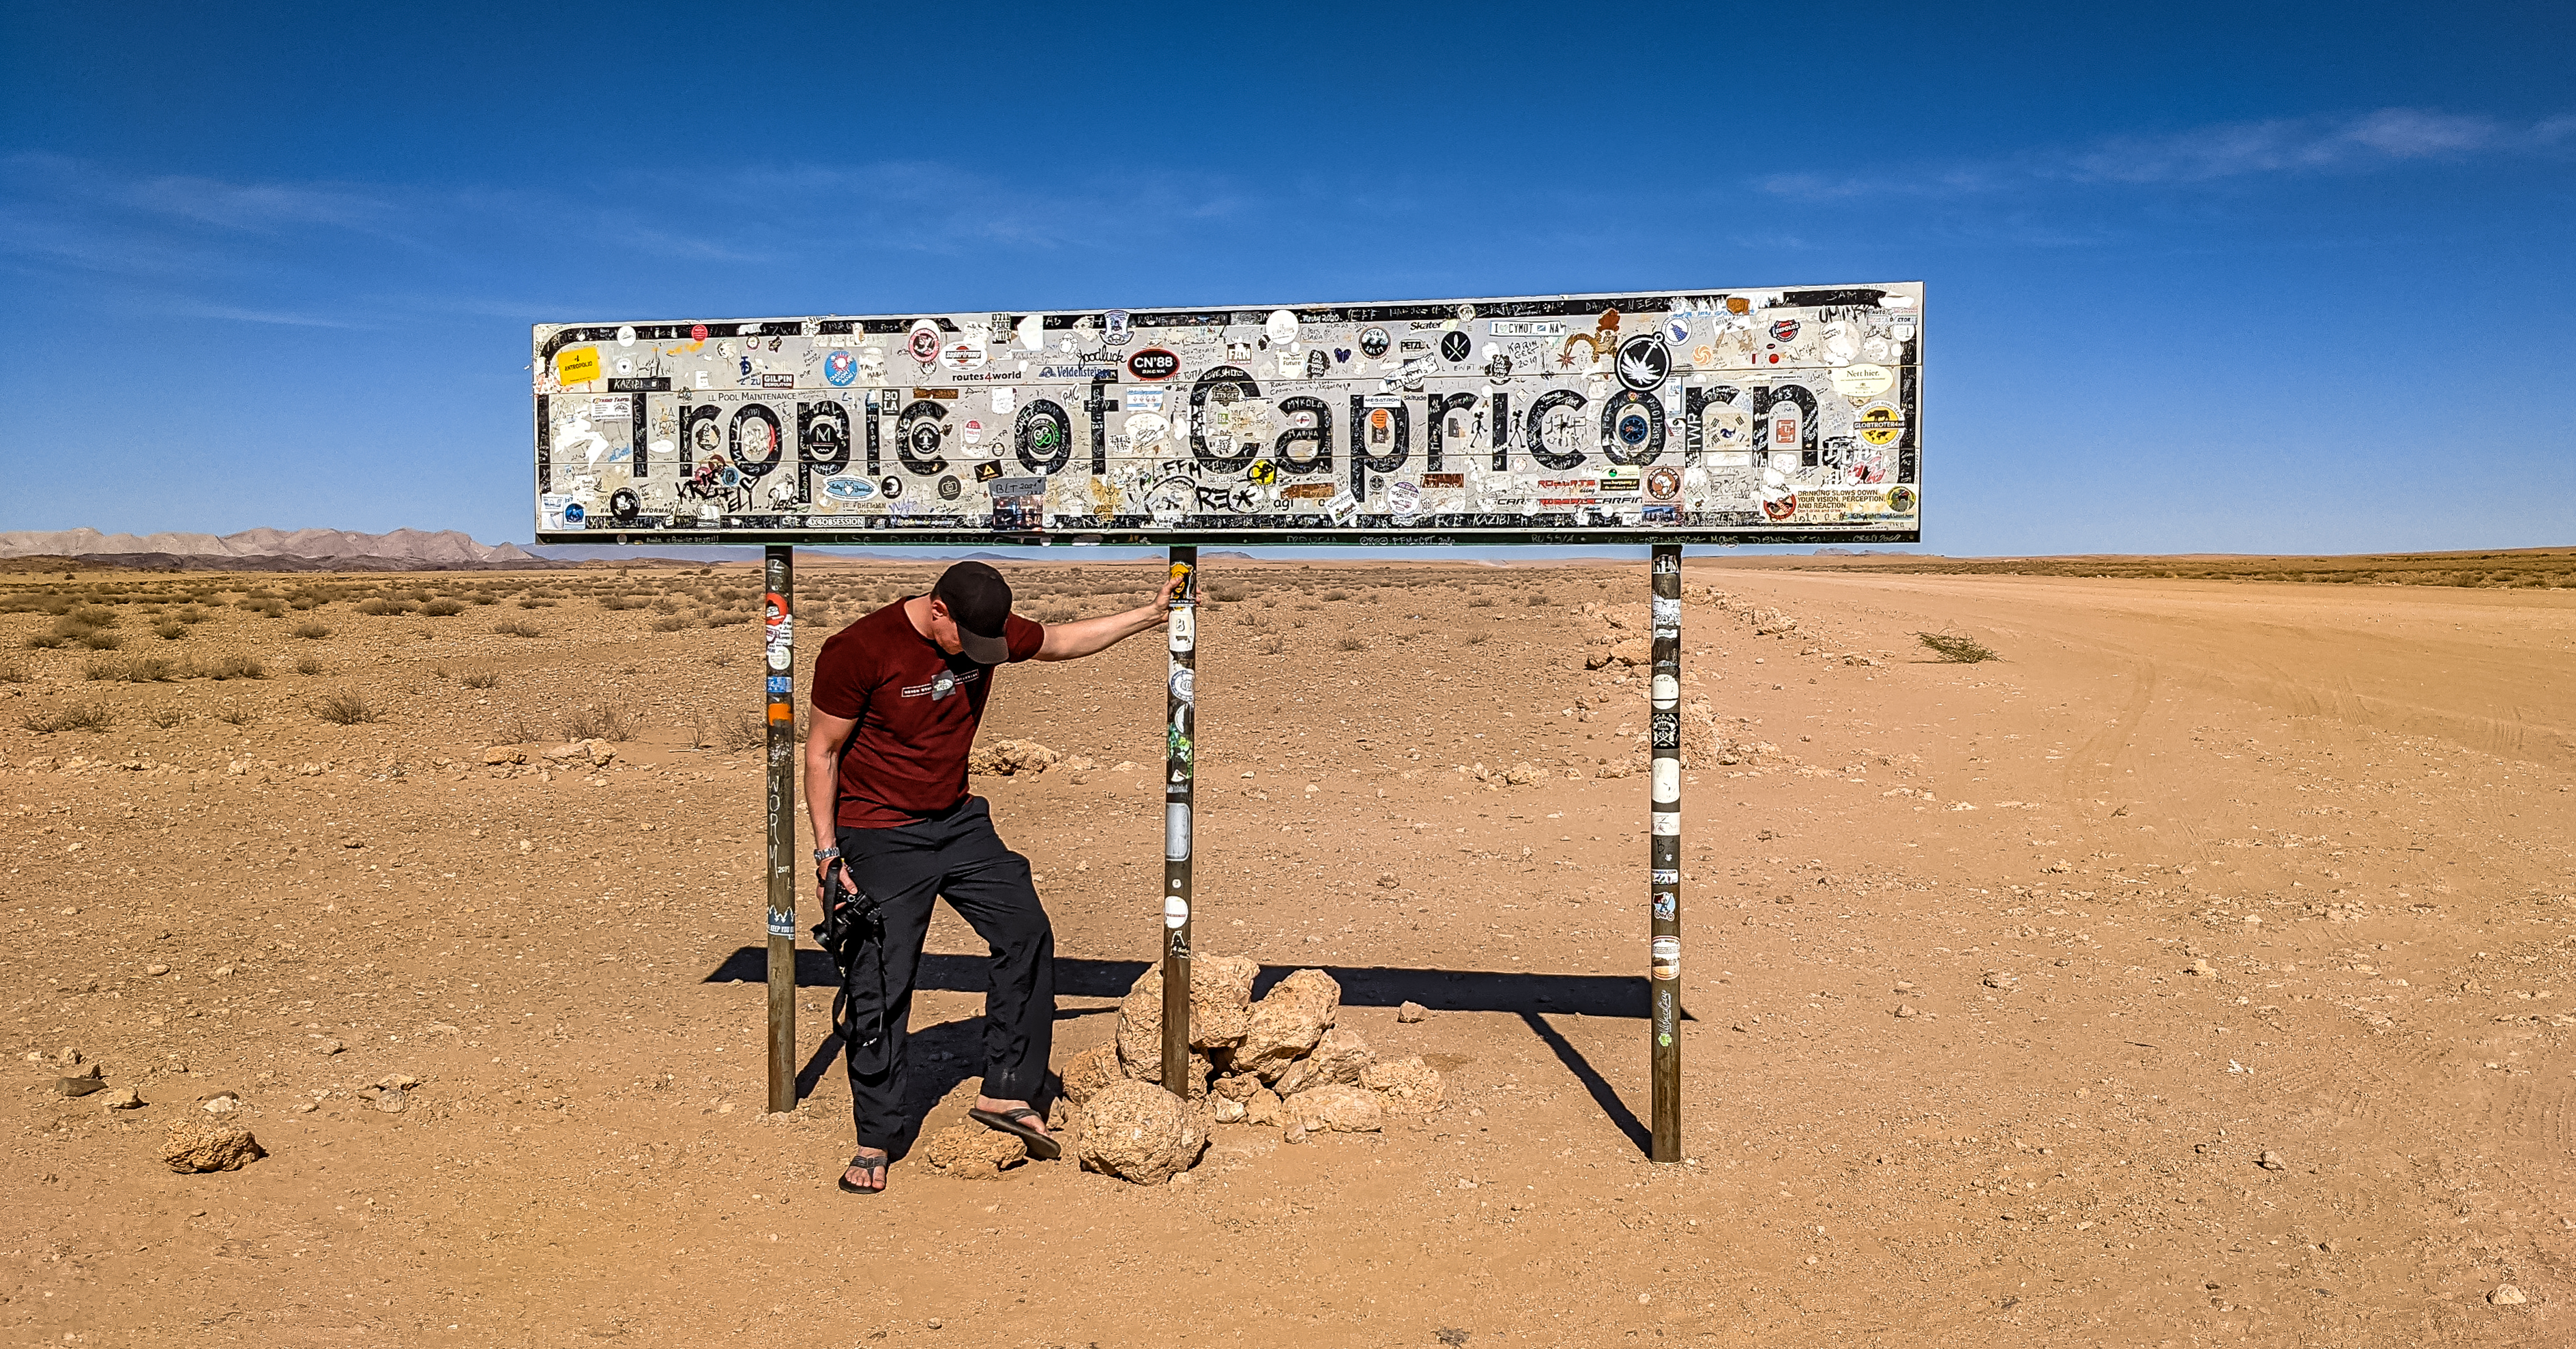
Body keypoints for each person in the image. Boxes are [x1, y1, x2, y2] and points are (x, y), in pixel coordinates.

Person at [804, 560, 1182, 1194]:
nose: (978, 655)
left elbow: (1061, 640)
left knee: (1025, 930)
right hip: (878, 829)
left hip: (957, 821)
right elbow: (822, 750)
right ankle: (876, 1134)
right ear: (938, 609)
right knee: (881, 976)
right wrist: (827, 854)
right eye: (965, 641)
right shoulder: (858, 649)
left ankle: (1007, 1092)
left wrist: (1147, 616)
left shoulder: (985, 628)